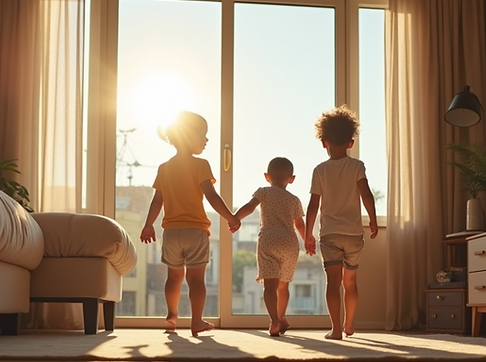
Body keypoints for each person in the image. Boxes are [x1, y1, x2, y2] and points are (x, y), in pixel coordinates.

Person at [140, 111, 241, 336]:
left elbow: (157, 200)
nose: (206, 140)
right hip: (195, 231)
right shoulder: (201, 165)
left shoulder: (164, 168)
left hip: (171, 232)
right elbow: (212, 197)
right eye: (203, 135)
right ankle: (196, 321)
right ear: (190, 136)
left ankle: (171, 316)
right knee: (196, 280)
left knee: (173, 277)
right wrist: (231, 217)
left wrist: (148, 225)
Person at [304, 105, 378, 340]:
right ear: (351, 142)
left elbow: (313, 206)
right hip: (354, 234)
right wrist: (373, 220)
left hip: (330, 235)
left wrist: (308, 234)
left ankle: (336, 329)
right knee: (351, 282)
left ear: (323, 141)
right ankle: (349, 325)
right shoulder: (357, 166)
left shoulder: (320, 171)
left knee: (333, 282)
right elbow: (367, 195)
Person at [234, 157, 306, 336]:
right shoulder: (294, 200)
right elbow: (300, 225)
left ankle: (274, 320)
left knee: (270, 286)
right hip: (289, 243)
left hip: (268, 240)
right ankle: (281, 317)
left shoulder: (264, 192)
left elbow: (250, 208)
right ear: (292, 178)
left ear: (267, 176)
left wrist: (235, 218)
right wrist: (308, 241)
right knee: (284, 286)